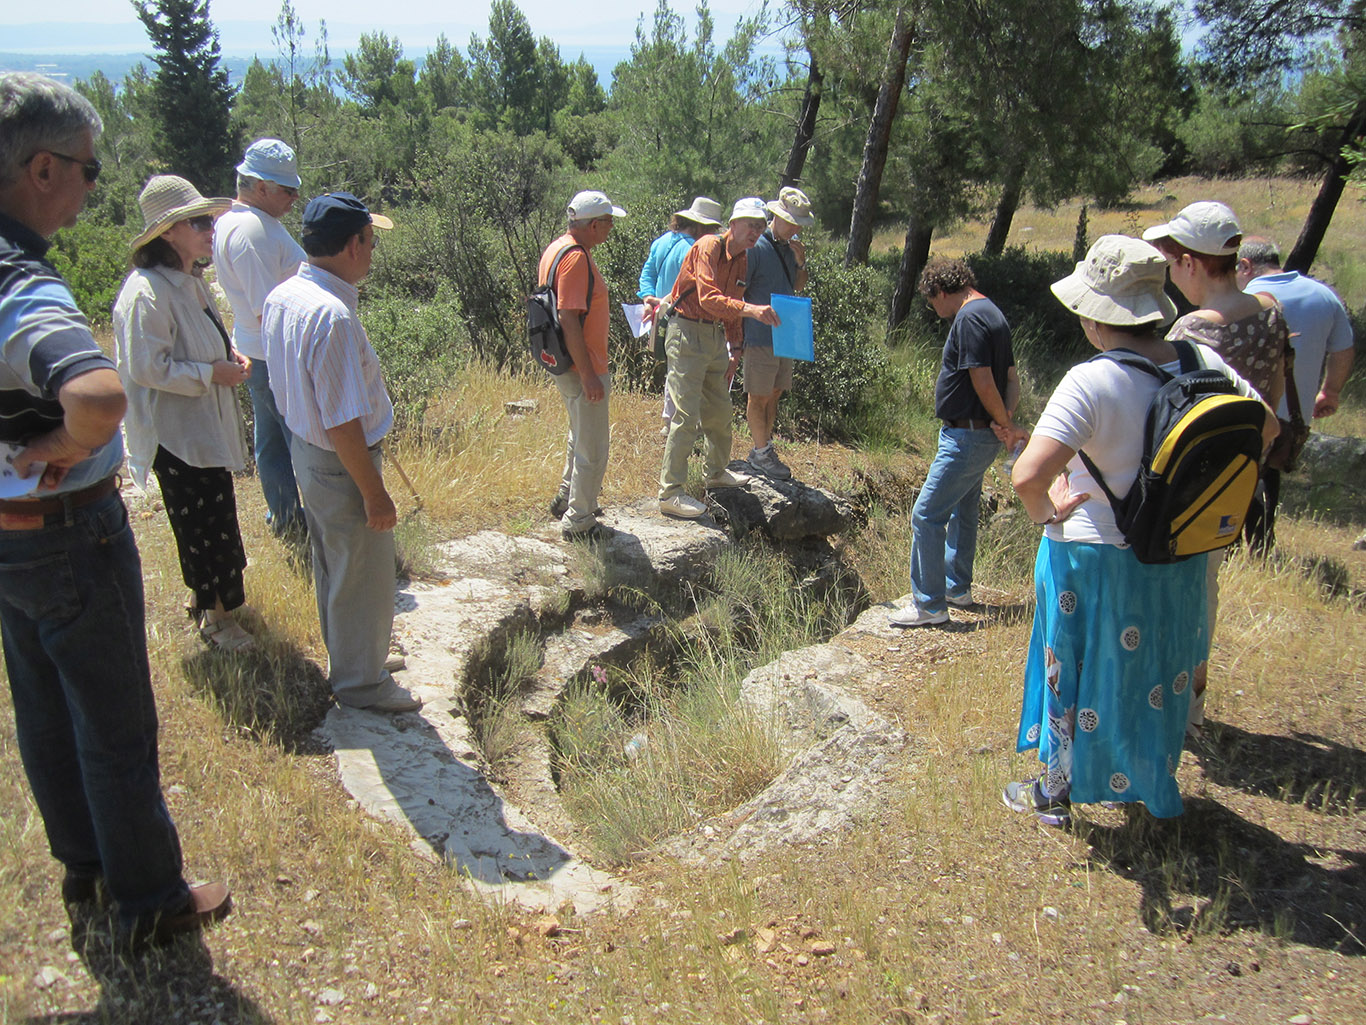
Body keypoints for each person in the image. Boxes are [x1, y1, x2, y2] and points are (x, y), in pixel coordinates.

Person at [0, 71, 229, 949]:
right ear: (44, 169)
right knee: (115, 720)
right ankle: (149, 898)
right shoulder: (22, 282)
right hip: (67, 531)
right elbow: (97, 392)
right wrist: (63, 446)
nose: (93, 185)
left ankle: (84, 865)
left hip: (12, 538)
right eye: (89, 170)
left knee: (44, 707)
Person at [1004, 235, 1277, 826]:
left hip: (1089, 556)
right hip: (1174, 554)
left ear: (1093, 316)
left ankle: (1055, 793)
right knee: (1155, 672)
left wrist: (1047, 511)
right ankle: (1150, 783)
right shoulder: (1204, 363)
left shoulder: (1090, 381)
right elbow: (1269, 428)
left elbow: (1028, 476)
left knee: (1070, 672)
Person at [261, 192, 421, 713]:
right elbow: (343, 422)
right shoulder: (331, 316)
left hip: (306, 452)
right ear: (353, 245)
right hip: (339, 462)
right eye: (371, 242)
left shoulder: (285, 295)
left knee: (333, 562)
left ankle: (355, 658)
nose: (373, 252)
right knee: (364, 572)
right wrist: (375, 495)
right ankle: (360, 684)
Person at [1144, 202, 1287, 730]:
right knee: (1206, 592)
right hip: (1241, 481)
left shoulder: (1189, 333)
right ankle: (1195, 704)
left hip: (1190, 490)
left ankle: (1170, 707)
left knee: (1175, 598)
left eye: (1170, 259)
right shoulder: (1270, 314)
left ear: (1191, 263)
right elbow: (1269, 409)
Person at [113, 175, 256, 652]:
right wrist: (211, 373)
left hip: (201, 429)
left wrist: (229, 355)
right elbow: (147, 367)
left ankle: (209, 606)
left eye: (209, 220)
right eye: (198, 222)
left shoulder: (188, 281)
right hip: (177, 436)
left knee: (215, 522)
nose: (209, 229)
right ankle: (218, 622)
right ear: (167, 232)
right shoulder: (146, 291)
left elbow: (205, 337)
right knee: (205, 531)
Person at [890, 258, 1019, 626]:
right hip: (980, 434)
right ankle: (956, 587)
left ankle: (929, 605)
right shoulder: (993, 312)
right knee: (964, 511)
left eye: (934, 304)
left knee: (926, 515)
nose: (936, 312)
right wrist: (1004, 422)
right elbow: (1012, 379)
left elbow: (982, 378)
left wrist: (1002, 422)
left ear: (941, 292)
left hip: (967, 435)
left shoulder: (969, 317)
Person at [654, 197, 779, 519]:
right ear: (733, 224)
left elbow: (730, 304)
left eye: (761, 226)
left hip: (713, 337)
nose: (756, 232)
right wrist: (752, 310)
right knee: (685, 415)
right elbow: (710, 298)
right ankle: (670, 493)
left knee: (721, 411)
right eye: (751, 225)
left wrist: (735, 349)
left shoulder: (742, 259)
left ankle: (715, 471)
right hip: (686, 332)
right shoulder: (708, 245)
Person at [213, 138, 307, 540]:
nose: (294, 198)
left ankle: (285, 517)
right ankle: (303, 522)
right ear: (261, 187)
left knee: (270, 441)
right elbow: (267, 308)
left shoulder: (249, 223)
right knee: (299, 442)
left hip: (263, 351)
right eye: (288, 190)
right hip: (275, 354)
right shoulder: (251, 230)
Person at [1236, 235, 1355, 549]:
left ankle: (1232, 544)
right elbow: (1343, 348)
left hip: (1243, 410)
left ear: (1245, 266)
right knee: (1270, 472)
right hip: (1293, 416)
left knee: (1237, 475)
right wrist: (1330, 391)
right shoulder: (1324, 295)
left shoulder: (1246, 298)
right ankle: (1261, 543)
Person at [541, 189, 627, 542]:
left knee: (579, 434)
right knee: (593, 445)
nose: (610, 229)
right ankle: (580, 520)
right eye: (608, 222)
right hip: (582, 366)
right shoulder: (576, 258)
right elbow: (569, 317)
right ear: (593, 225)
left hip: (565, 363)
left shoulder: (557, 248)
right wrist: (590, 373)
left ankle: (568, 497)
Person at [742, 187, 814, 481]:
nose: (796, 228)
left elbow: (798, 286)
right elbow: (739, 289)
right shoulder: (757, 246)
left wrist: (801, 263)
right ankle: (761, 453)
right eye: (791, 221)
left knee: (775, 392)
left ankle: (764, 448)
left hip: (785, 335)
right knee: (758, 394)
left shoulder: (790, 248)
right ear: (776, 216)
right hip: (759, 334)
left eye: (799, 223)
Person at [639, 196, 722, 435]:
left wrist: (648, 300)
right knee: (685, 370)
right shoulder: (696, 250)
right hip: (684, 316)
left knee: (673, 369)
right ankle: (678, 423)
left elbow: (647, 276)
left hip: (659, 314)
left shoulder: (660, 242)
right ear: (699, 227)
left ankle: (670, 420)